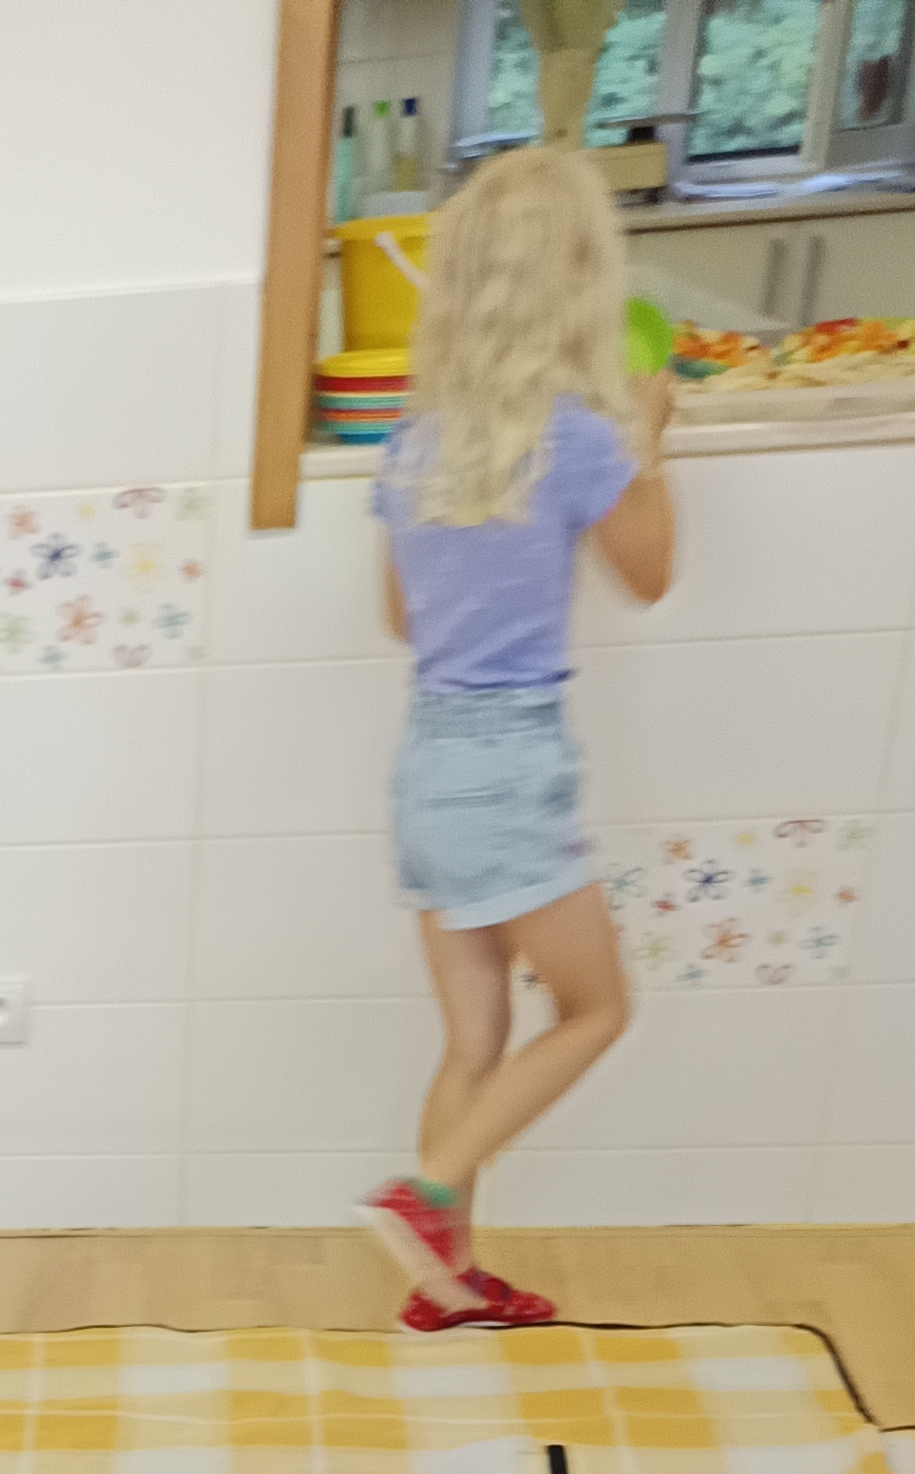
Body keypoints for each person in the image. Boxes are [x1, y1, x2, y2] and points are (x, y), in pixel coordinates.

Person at [358, 140, 678, 1328]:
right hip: (511, 764)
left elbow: (402, 617)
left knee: (475, 1040)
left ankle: (443, 1285)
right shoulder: (578, 437)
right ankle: (431, 1194)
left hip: (428, 763)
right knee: (597, 1009)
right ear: (579, 281)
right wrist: (649, 442)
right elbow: (650, 573)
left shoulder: (413, 445)